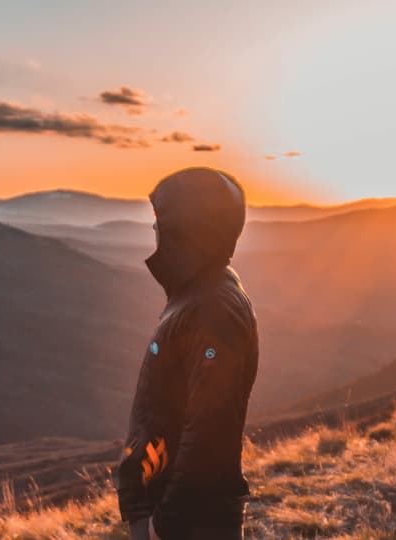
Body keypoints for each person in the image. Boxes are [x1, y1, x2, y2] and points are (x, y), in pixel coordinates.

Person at [118, 167, 259, 540]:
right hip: (175, 511)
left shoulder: (213, 306)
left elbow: (210, 428)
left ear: (187, 228)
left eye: (161, 219)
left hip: (191, 523)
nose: (154, 230)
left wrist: (167, 522)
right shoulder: (197, 294)